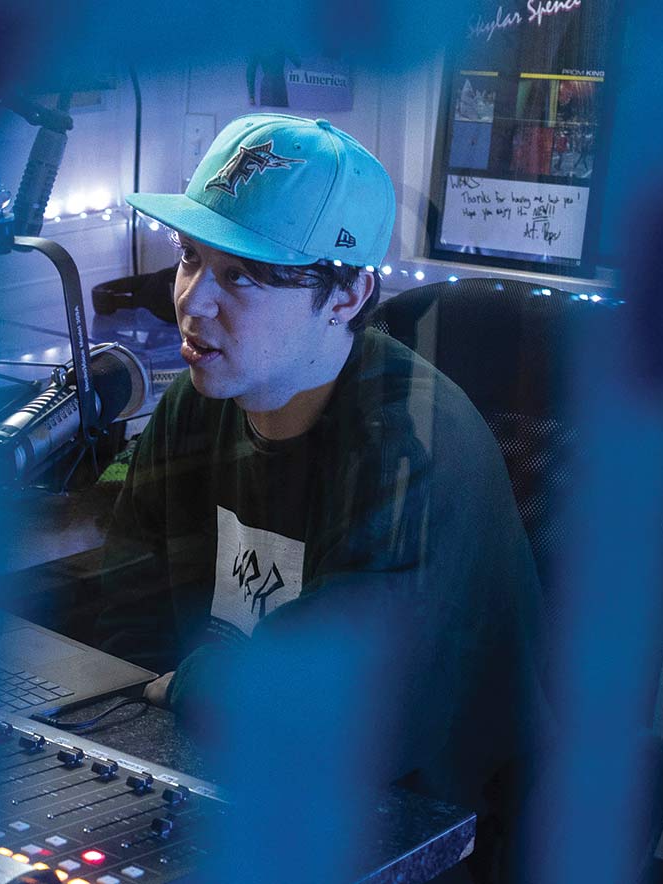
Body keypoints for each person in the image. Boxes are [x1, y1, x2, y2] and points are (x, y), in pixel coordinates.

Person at [98, 114, 547, 845]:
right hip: (217, 776)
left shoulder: (416, 450)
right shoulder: (198, 400)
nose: (191, 301)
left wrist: (189, 686)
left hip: (404, 826)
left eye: (240, 273)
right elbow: (118, 620)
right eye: (189, 258)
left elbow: (341, 723)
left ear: (344, 296)